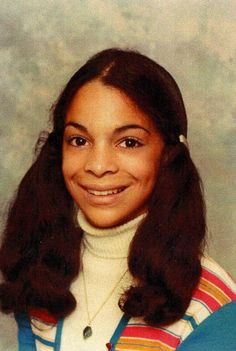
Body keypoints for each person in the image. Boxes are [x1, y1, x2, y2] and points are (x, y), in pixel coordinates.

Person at [0, 48, 235, 351]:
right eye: (79, 140)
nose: (98, 166)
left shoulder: (210, 306)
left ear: (168, 155)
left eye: (129, 142)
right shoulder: (42, 273)